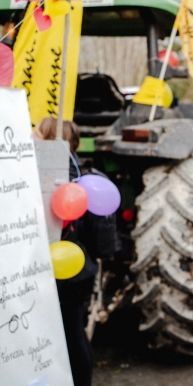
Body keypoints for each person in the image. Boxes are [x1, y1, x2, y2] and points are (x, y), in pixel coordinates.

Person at [34, 117, 118, 386]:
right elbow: (102, 244)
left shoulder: (46, 179)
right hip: (79, 270)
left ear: (48, 140)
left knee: (67, 334)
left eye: (36, 133)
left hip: (64, 271)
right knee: (74, 332)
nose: (32, 136)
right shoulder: (89, 177)